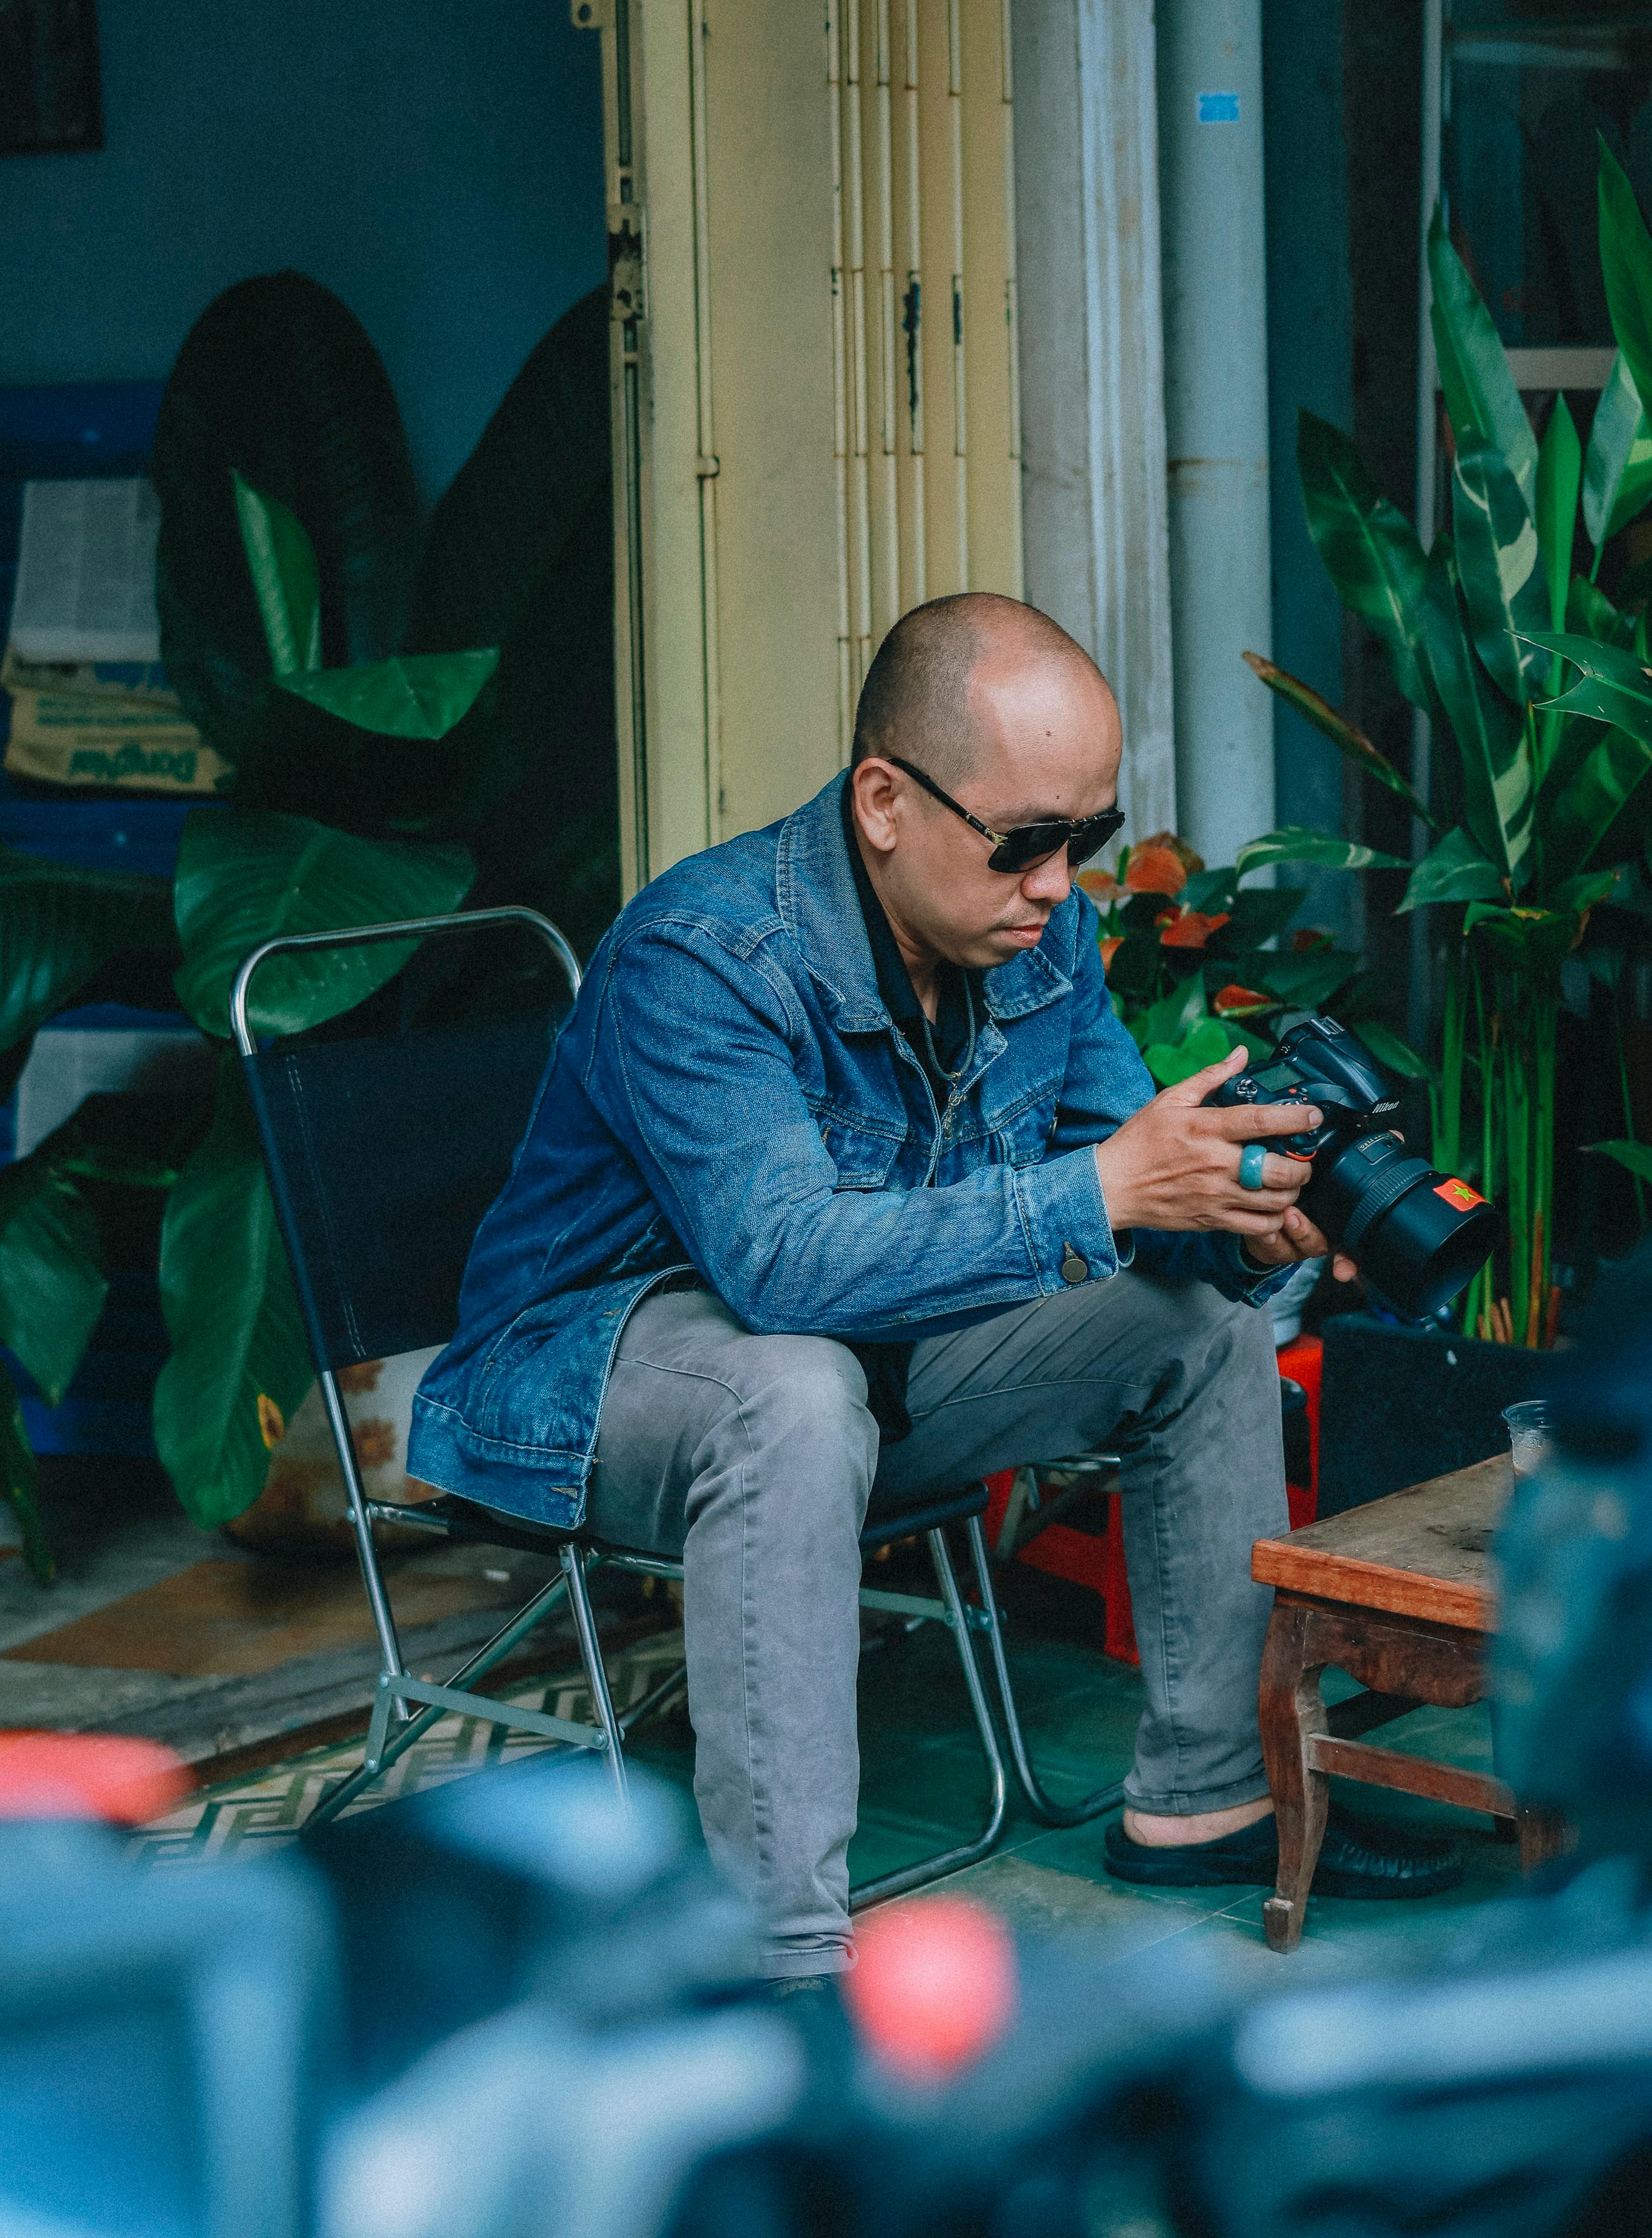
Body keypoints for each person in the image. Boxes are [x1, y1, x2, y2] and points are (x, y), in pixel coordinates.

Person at [409, 595, 1459, 1983]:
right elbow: (784, 1261)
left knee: (1195, 1335)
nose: (1055, 883)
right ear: (887, 800)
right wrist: (1106, 1191)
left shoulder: (1038, 938)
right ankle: (777, 1958)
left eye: (1081, 839)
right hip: (591, 1372)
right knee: (790, 1392)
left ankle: (1204, 1797)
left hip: (873, 1362)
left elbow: (1115, 1183)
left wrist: (1227, 1213)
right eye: (1024, 843)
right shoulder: (703, 956)